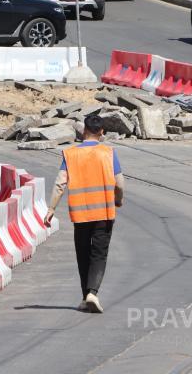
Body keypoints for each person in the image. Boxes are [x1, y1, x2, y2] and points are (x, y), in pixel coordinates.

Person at [45, 114, 125, 314]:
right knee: (99, 253)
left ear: (83, 131)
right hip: (104, 212)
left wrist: (51, 208)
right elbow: (120, 181)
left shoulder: (70, 154)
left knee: (83, 253)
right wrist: (118, 199)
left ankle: (85, 296)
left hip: (80, 214)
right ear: (102, 133)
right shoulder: (108, 152)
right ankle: (92, 293)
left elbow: (60, 183)